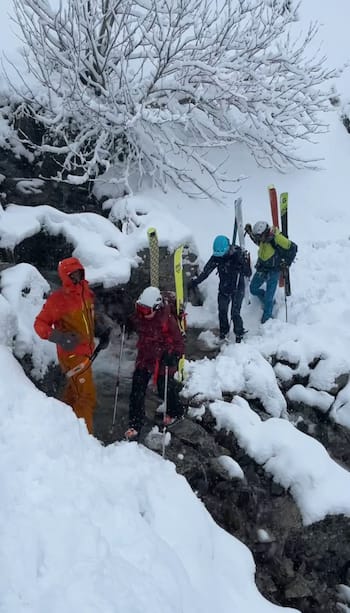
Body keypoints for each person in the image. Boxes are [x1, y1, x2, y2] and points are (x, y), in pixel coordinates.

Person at [34, 256, 111, 435]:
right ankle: (86, 440)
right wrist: (60, 338)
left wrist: (100, 331)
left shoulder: (86, 293)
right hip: (71, 355)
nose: (76, 277)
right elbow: (39, 325)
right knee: (86, 397)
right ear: (65, 276)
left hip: (85, 351)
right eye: (72, 274)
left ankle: (62, 429)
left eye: (78, 273)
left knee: (73, 393)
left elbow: (88, 319)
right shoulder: (58, 300)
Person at [125, 286, 185, 441]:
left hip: (164, 356)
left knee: (164, 385)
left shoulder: (167, 321)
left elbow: (179, 343)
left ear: (156, 308)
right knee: (137, 388)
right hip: (146, 354)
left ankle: (175, 412)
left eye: (146, 310)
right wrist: (128, 323)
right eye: (140, 308)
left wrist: (173, 355)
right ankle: (135, 423)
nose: (143, 313)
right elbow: (134, 320)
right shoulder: (140, 315)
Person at [187, 235, 251, 341]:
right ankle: (223, 333)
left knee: (235, 313)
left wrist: (242, 266)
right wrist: (195, 282)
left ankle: (239, 335)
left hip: (237, 287)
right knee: (222, 310)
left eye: (222, 254)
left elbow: (248, 272)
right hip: (224, 288)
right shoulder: (216, 257)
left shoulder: (238, 255)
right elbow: (206, 272)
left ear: (227, 249)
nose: (220, 257)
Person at [245, 221, 294, 323]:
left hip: (274, 270)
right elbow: (257, 241)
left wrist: (287, 263)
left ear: (265, 233)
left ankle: (266, 320)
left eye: (259, 237)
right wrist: (250, 233)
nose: (258, 239)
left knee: (269, 297)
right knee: (253, 288)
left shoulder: (277, 239)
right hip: (262, 267)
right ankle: (269, 302)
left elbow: (293, 248)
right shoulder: (263, 237)